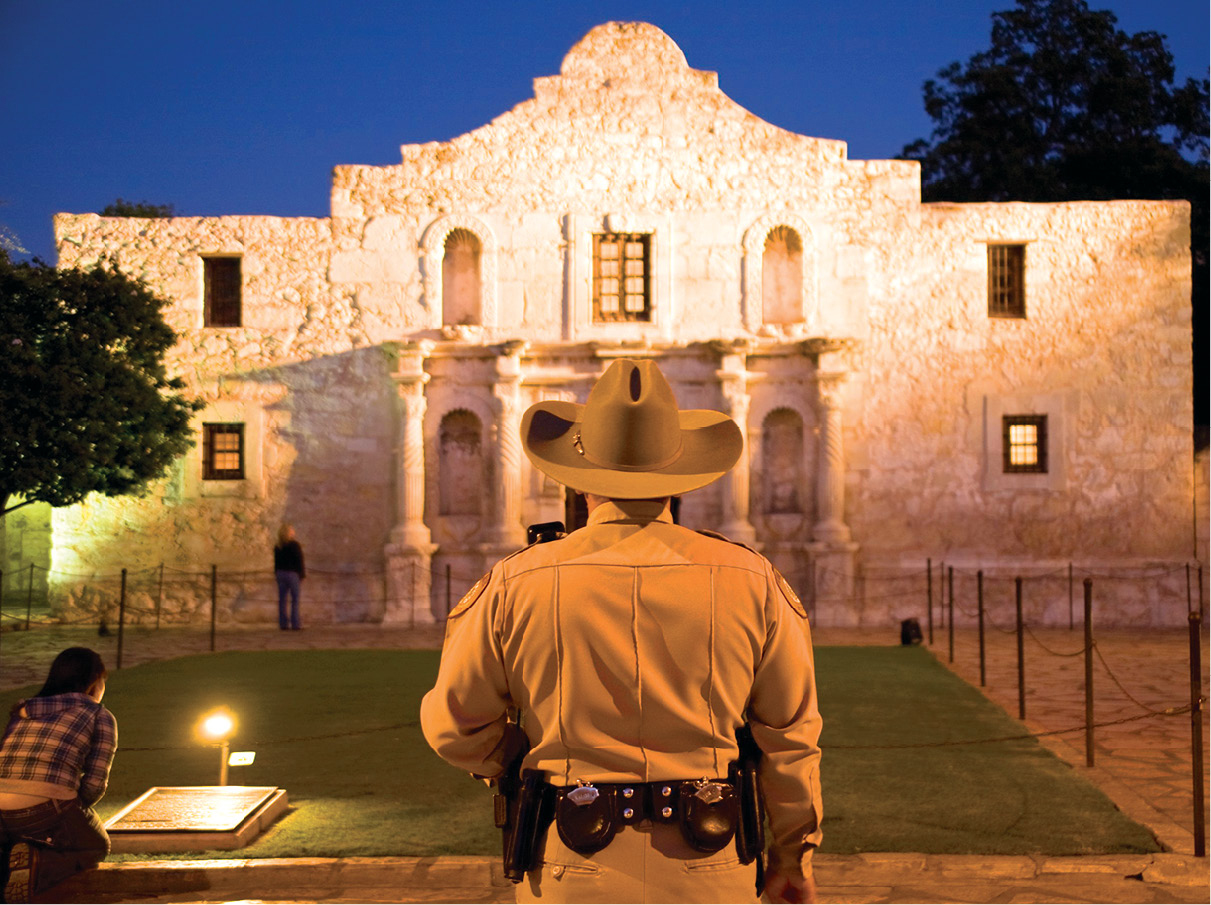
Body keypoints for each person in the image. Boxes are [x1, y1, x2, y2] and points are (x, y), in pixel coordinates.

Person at [420, 359, 822, 903]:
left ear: (577, 479)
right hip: (711, 866)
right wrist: (793, 854)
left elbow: (454, 726)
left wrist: (521, 757)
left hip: (571, 863)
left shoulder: (515, 583)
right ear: (678, 477)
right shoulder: (751, 580)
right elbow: (789, 739)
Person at [0, 647, 117, 903]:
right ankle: (38, 865)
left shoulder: (22, 710)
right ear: (95, 682)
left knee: (10, 846)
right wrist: (73, 809)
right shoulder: (99, 715)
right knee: (94, 845)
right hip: (49, 804)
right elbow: (95, 782)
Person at [274, 524, 306, 630]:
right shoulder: (294, 545)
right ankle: (295, 624)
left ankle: (283, 624)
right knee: (295, 600)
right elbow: (299, 560)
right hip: (292, 574)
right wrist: (302, 574)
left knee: (282, 600)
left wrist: (277, 573)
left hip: (281, 573)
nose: (294, 531)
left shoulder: (278, 546)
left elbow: (276, 562)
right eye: (292, 530)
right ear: (289, 532)